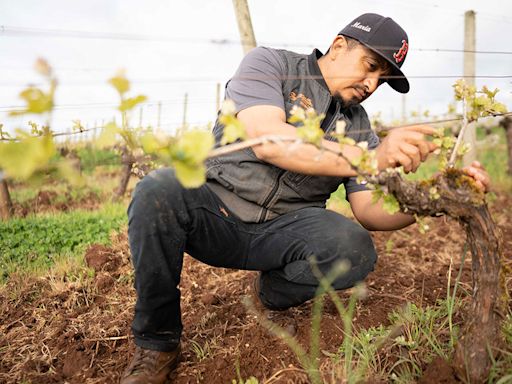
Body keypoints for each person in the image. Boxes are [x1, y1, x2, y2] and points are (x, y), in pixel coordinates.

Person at [120, 13, 490, 384]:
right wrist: (366, 157)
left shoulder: (358, 126)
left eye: (383, 79)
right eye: (371, 66)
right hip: (214, 212)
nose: (372, 84)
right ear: (340, 45)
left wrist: (438, 197)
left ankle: (272, 292)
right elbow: (268, 139)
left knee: (353, 247)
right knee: (159, 189)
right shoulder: (270, 64)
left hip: (282, 233)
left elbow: (370, 211)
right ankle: (157, 343)